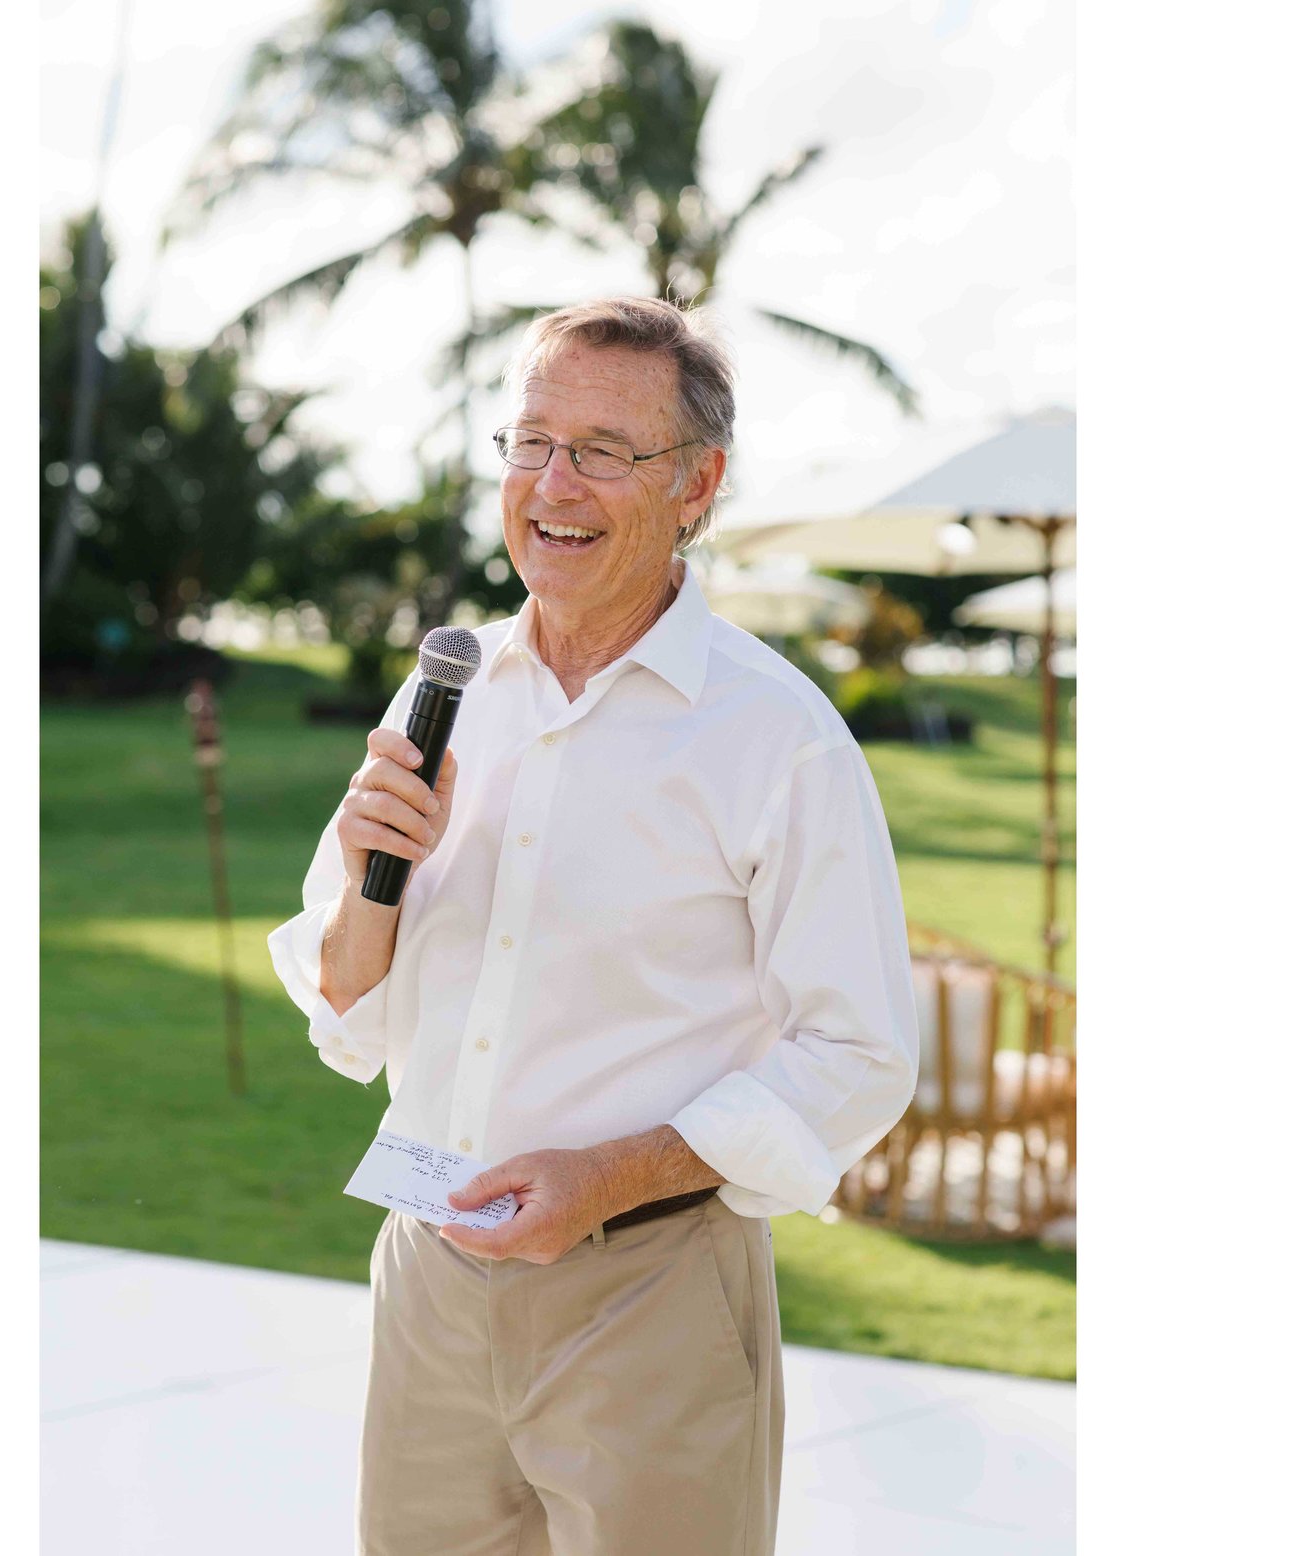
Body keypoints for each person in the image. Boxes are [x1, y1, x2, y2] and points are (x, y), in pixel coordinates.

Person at [268, 296, 918, 1556]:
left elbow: (856, 1054)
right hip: (429, 1279)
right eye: (529, 442)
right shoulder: (443, 691)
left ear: (697, 484)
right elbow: (346, 1014)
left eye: (604, 451)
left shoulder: (775, 737)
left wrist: (607, 1177)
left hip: (652, 1293)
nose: (552, 483)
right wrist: (365, 882)